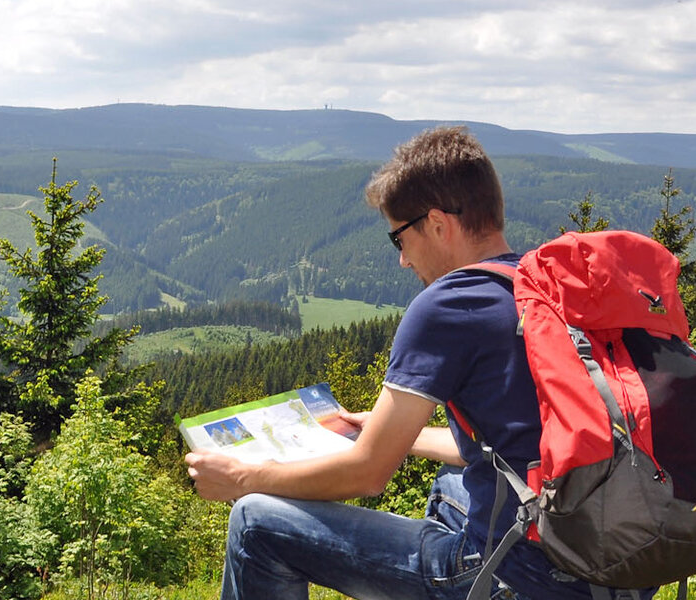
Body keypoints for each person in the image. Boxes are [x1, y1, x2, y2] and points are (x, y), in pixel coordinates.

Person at [185, 125, 600, 600]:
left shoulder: (450, 303)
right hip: (601, 562)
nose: (402, 260)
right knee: (452, 484)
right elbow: (509, 445)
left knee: (255, 522)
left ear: (439, 225)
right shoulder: (539, 287)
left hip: (516, 576)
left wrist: (242, 479)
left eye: (399, 238)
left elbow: (368, 474)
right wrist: (385, 432)